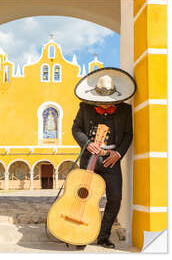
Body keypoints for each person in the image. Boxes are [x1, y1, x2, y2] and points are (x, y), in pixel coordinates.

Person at [72, 68, 136, 249]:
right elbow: (76, 129)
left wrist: (118, 153)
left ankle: (103, 236)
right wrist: (86, 143)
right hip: (89, 159)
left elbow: (128, 135)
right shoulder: (84, 108)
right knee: (84, 197)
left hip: (111, 160)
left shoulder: (125, 110)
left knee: (115, 197)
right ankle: (80, 234)